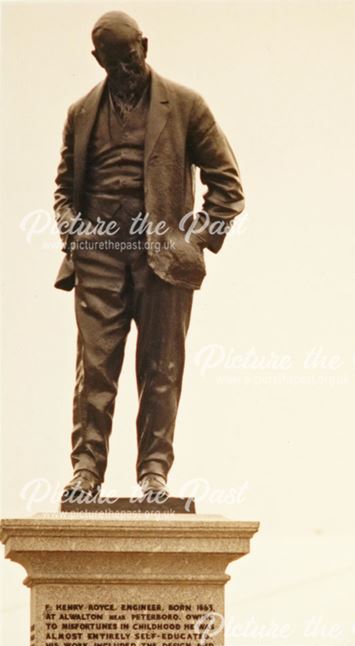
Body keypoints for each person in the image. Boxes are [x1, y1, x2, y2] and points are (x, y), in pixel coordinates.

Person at [54, 11, 244, 500]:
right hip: (98, 255)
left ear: (145, 44)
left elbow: (227, 185)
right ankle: (86, 473)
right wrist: (73, 231)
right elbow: (63, 189)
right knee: (93, 371)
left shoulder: (185, 105)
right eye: (113, 62)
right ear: (98, 59)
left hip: (162, 259)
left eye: (131, 57)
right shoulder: (79, 113)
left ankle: (154, 473)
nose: (124, 70)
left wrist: (195, 239)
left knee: (162, 369)